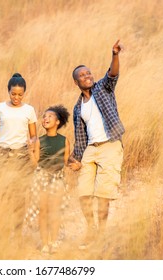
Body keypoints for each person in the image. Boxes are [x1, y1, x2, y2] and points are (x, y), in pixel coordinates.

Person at [68, 40, 125, 250]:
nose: (87, 76)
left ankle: (101, 234)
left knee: (103, 194)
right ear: (76, 82)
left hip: (110, 144)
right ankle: (90, 229)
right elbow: (81, 137)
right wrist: (73, 157)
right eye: (82, 75)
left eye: (88, 73)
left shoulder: (103, 88)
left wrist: (115, 55)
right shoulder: (77, 107)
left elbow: (113, 74)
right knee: (83, 192)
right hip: (90, 150)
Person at [0, 73, 38, 237]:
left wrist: (33, 146)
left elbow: (34, 135)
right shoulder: (0, 108)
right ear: (8, 91)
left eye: (20, 94)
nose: (16, 97)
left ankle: (17, 233)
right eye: (13, 94)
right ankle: (2, 233)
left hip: (22, 156)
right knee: (3, 195)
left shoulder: (29, 110)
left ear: (24, 93)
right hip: (3, 155)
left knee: (19, 197)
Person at [30, 105, 71, 254]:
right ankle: (45, 243)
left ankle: (54, 242)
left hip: (58, 179)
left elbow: (66, 161)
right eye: (44, 116)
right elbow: (35, 162)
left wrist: (75, 164)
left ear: (58, 122)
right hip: (41, 177)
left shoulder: (64, 140)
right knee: (43, 210)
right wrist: (30, 150)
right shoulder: (39, 141)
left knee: (55, 211)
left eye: (50, 116)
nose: (45, 118)